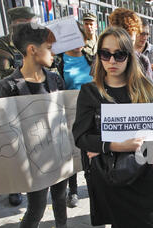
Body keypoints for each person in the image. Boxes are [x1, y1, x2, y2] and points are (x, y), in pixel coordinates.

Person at [0, 22, 80, 228]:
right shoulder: (10, 86)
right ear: (33, 50)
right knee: (35, 208)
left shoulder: (55, 79)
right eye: (49, 48)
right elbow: (1, 123)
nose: (53, 53)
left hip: (57, 152)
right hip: (33, 159)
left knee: (60, 195)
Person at [72, 27, 153, 228]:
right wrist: (112, 145)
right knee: (120, 222)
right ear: (99, 56)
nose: (111, 61)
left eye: (119, 54)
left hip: (140, 170)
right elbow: (80, 136)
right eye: (105, 54)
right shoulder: (90, 92)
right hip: (108, 174)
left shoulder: (145, 88)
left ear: (130, 56)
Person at [0, 6, 37, 207]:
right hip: (12, 98)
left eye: (29, 22)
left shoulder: (34, 40)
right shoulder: (2, 44)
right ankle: (14, 188)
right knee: (13, 145)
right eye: (23, 22)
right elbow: (5, 72)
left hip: (33, 98)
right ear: (14, 23)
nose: (27, 25)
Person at [54, 22, 94, 208]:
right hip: (69, 115)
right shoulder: (58, 63)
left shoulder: (91, 58)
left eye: (80, 35)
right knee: (72, 151)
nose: (77, 39)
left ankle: (94, 186)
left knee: (90, 151)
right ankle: (74, 190)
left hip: (93, 114)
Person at [108, 8, 153, 80]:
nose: (125, 48)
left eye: (130, 42)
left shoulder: (142, 61)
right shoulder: (102, 59)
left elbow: (150, 89)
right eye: (120, 42)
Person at [135, 19, 153, 87]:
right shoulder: (127, 51)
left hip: (149, 95)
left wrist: (136, 71)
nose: (145, 37)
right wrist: (148, 69)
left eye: (147, 34)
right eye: (141, 33)